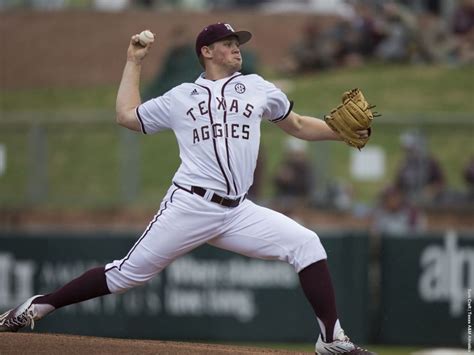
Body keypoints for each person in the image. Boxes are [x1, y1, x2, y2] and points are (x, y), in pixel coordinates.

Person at [0, 23, 374, 355]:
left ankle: (330, 339)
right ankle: (36, 307)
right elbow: (126, 116)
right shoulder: (181, 97)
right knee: (125, 276)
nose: (236, 47)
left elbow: (295, 125)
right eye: (227, 43)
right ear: (206, 52)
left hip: (237, 210)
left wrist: (339, 132)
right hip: (190, 205)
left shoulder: (258, 87)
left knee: (306, 244)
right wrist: (134, 61)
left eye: (237, 42)